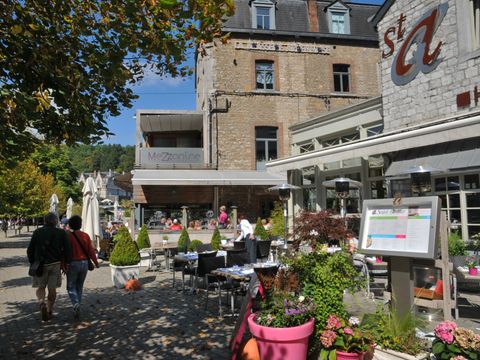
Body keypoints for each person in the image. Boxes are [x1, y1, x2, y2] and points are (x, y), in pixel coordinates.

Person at [27, 212, 72, 321]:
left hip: (40, 265)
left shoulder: (37, 232)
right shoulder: (61, 233)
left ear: (45, 221)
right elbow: (67, 250)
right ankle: (49, 310)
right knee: (52, 289)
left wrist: (33, 262)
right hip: (55, 264)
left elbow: (30, 250)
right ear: (56, 221)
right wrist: (67, 263)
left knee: (40, 287)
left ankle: (42, 303)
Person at [66, 215, 100, 319]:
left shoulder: (68, 236)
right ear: (80, 224)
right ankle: (77, 304)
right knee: (79, 285)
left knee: (71, 286)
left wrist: (63, 265)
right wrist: (96, 262)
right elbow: (91, 251)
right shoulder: (85, 235)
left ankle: (75, 303)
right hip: (84, 264)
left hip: (73, 264)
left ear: (70, 225)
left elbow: (65, 252)